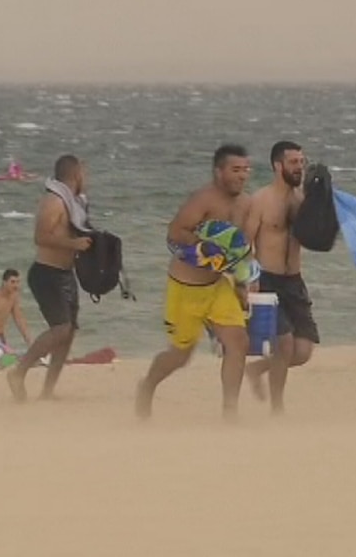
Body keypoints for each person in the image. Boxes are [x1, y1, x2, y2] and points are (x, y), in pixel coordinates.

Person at [135, 144, 254, 420]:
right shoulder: (203, 200)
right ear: (218, 172)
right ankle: (147, 386)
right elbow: (175, 232)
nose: (242, 176)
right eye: (235, 170)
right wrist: (204, 245)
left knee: (238, 343)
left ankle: (230, 413)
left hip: (218, 286)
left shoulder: (246, 204)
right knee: (180, 355)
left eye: (246, 170)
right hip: (185, 287)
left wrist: (242, 285)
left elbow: (242, 249)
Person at [6, 155, 91, 402]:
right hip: (46, 273)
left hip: (66, 273)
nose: (86, 178)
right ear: (75, 174)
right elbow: (41, 237)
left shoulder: (74, 203)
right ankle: (18, 372)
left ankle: (47, 390)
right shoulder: (53, 201)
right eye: (83, 173)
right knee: (61, 328)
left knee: (70, 331)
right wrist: (73, 243)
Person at [243, 141, 319, 414]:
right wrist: (249, 279)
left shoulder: (303, 200)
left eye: (302, 162)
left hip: (294, 282)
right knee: (284, 345)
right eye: (294, 162)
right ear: (278, 166)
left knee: (302, 352)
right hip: (267, 280)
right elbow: (245, 244)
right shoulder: (261, 200)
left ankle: (257, 369)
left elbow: (316, 237)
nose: (299, 167)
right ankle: (278, 408)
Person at [0, 268, 32, 346]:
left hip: (0, 337)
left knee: (10, 358)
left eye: (18, 282)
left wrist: (29, 341)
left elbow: (19, 320)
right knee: (6, 358)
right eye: (12, 282)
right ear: (4, 282)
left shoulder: (13, 298)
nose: (16, 285)